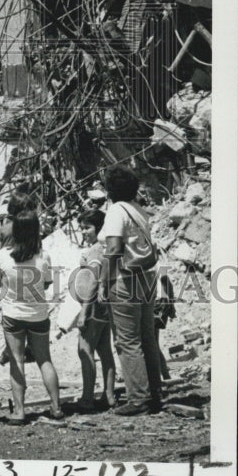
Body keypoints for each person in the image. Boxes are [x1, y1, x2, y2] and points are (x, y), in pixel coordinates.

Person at [98, 165, 163, 416]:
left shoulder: (116, 210)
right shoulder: (138, 210)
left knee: (127, 341)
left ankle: (138, 398)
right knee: (147, 338)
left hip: (125, 279)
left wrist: (104, 281)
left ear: (110, 189)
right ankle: (153, 393)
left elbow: (113, 248)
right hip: (146, 276)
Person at [0, 209, 64, 424]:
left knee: (16, 361)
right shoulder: (44, 256)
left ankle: (20, 411)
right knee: (44, 360)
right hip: (38, 314)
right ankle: (56, 407)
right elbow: (48, 283)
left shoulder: (4, 255)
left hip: (13, 314)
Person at [75, 209, 116, 412]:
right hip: (105, 307)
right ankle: (109, 395)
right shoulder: (105, 248)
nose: (84, 232)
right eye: (82, 227)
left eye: (87, 227)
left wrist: (83, 312)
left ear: (98, 228)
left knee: (84, 350)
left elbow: (92, 281)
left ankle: (87, 398)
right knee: (105, 351)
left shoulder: (94, 251)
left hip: (92, 307)